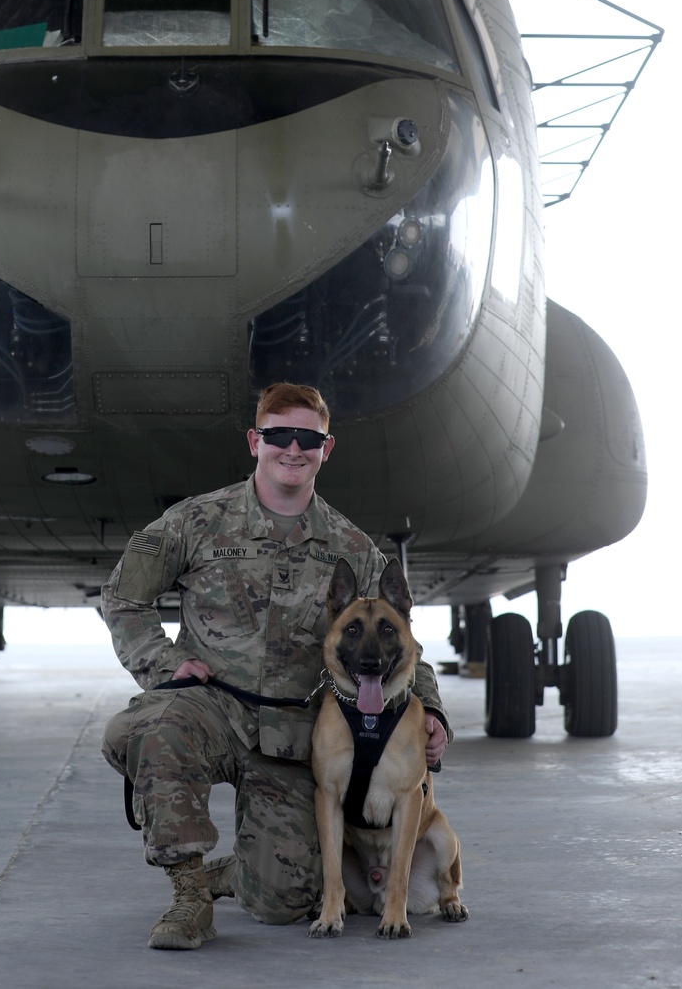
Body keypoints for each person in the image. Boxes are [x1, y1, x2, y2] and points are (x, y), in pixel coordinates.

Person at [100, 381, 451, 951]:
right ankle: (189, 895)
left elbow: (399, 642)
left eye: (307, 438)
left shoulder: (353, 549)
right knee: (153, 728)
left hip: (292, 736)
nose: (293, 448)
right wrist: (164, 664)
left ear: (326, 448)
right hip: (209, 707)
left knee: (286, 901)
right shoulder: (195, 521)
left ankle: (234, 874)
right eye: (279, 435)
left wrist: (431, 710)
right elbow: (123, 597)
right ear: (254, 441)